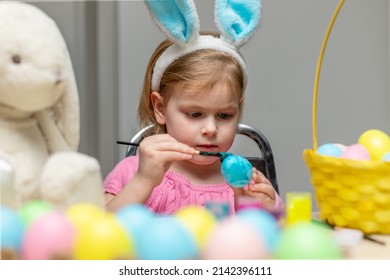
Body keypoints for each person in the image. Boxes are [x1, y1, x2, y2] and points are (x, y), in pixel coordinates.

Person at [104, 0, 284, 214]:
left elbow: (277, 242)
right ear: (160, 108)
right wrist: (143, 182)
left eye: (225, 115)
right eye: (195, 114)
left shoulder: (247, 183)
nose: (211, 129)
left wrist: (263, 210)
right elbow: (96, 232)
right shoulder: (133, 172)